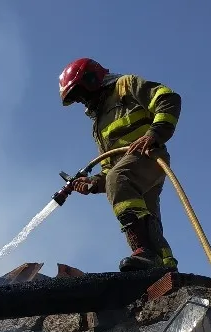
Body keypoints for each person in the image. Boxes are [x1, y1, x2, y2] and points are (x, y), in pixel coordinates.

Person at [59, 57, 182, 272]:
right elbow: (109, 169)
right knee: (146, 216)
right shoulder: (97, 126)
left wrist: (154, 134)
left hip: (149, 155)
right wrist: (92, 184)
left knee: (120, 181)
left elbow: (168, 98)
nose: (83, 101)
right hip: (130, 169)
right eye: (77, 99)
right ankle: (164, 266)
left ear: (92, 80)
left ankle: (145, 252)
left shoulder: (126, 85)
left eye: (82, 94)